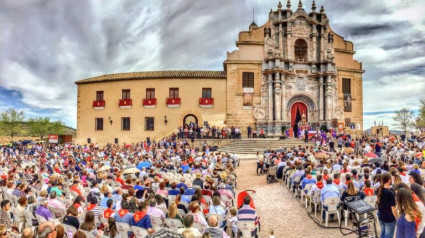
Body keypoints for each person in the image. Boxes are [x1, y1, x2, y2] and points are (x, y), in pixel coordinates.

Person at [377, 173, 396, 238]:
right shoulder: (390, 193)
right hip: (389, 218)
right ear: (389, 180)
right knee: (388, 236)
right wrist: (397, 218)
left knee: (382, 234)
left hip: (381, 216)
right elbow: (393, 208)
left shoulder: (379, 189)